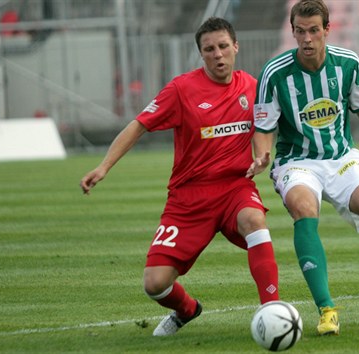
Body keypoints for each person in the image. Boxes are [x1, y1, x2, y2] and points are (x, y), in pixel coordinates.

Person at [80, 17, 279, 337]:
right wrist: (104, 166)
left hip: (234, 188)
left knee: (255, 221)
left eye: (223, 47)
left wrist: (261, 155)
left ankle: (273, 311)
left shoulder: (252, 87)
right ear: (201, 54)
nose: (218, 55)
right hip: (188, 198)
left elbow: (261, 129)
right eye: (209, 49)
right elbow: (139, 124)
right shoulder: (181, 89)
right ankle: (187, 309)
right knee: (155, 284)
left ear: (236, 47)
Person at [246, 0, 359, 335]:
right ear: (292, 32)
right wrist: (262, 156)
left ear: (327, 30)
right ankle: (327, 310)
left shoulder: (347, 63)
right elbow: (263, 128)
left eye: (314, 30)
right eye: (300, 31)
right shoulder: (274, 73)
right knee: (304, 207)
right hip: (297, 161)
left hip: (340, 157)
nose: (307, 39)